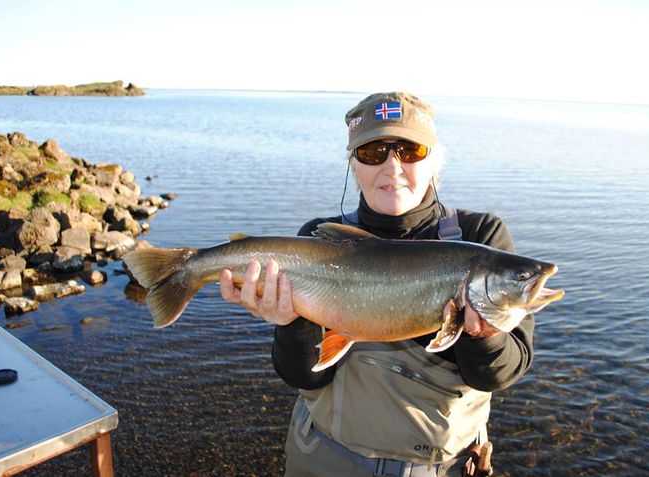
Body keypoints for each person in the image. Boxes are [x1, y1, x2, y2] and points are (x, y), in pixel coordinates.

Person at [220, 92, 533, 476]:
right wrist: (293, 323)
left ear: (434, 159)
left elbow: (500, 373)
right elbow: (303, 376)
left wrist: (481, 335)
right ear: (353, 164)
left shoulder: (482, 237)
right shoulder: (317, 242)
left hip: (442, 467)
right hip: (324, 458)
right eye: (372, 152)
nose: (392, 167)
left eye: (410, 150)